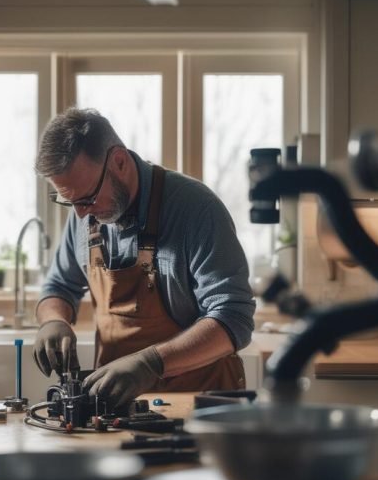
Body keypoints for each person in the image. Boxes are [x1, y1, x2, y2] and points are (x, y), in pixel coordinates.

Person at [33, 107, 255, 407]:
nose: (80, 213)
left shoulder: (197, 209)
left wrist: (152, 363)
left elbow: (234, 318)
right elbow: (59, 286)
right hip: (117, 409)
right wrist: (53, 320)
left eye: (87, 198)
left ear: (120, 162)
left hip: (201, 406)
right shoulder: (85, 212)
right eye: (69, 201)